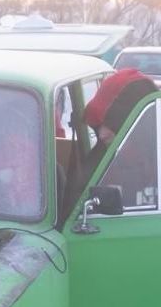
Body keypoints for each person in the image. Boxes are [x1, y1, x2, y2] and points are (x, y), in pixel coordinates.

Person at [63, 68, 157, 214]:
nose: (102, 135)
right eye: (98, 127)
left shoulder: (155, 158)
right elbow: (77, 210)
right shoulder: (99, 160)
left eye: (112, 124)